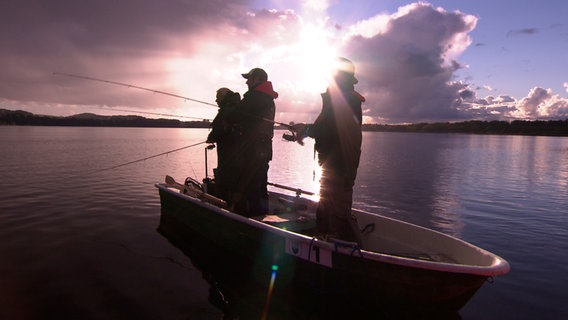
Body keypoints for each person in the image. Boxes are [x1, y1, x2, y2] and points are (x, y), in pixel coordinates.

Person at [293, 57, 365, 243]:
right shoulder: (343, 99)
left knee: (335, 212)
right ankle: (334, 241)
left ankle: (351, 251)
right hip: (338, 163)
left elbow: (330, 130)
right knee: (332, 209)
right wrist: (305, 130)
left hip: (337, 165)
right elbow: (329, 130)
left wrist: (306, 130)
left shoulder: (343, 100)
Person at [231, 67, 278, 216]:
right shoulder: (268, 98)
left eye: (249, 79)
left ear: (257, 79)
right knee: (261, 182)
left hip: (252, 148)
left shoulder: (254, 96)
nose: (246, 82)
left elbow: (236, 115)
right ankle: (263, 214)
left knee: (250, 183)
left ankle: (253, 216)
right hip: (264, 148)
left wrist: (230, 120)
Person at [206, 87, 241, 203]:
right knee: (235, 176)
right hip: (239, 151)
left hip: (228, 150)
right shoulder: (238, 107)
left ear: (223, 97)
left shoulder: (227, 110)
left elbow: (219, 129)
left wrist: (211, 138)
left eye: (217, 98)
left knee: (226, 176)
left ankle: (226, 204)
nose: (216, 101)